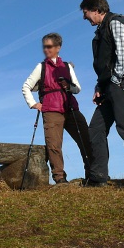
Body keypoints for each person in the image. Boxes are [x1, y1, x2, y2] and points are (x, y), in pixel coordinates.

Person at [80, 0, 124, 188]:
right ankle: (98, 176)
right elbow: (105, 63)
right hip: (109, 86)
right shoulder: (101, 29)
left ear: (96, 10)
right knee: (95, 129)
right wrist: (100, 86)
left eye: (86, 13)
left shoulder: (116, 22)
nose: (85, 17)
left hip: (121, 84)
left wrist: (116, 81)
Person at [22, 33, 92, 184]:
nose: (46, 50)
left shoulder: (67, 66)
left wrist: (69, 86)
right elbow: (26, 86)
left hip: (70, 107)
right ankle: (60, 178)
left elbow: (77, 88)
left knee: (85, 139)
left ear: (58, 47)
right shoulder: (41, 67)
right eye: (44, 47)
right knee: (54, 145)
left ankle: (92, 173)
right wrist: (33, 103)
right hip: (51, 110)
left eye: (49, 47)